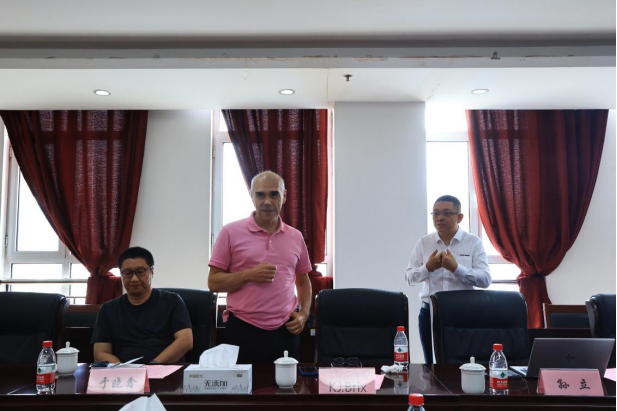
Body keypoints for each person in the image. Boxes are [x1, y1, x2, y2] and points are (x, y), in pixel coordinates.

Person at [208, 171, 312, 363]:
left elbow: (303, 281)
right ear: (251, 195)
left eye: (274, 194)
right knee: (242, 384)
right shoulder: (230, 232)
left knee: (287, 383)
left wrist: (304, 314)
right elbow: (213, 283)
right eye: (260, 195)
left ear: (284, 196)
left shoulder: (295, 236)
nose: (267, 201)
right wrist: (249, 275)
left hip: (285, 330)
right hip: (242, 329)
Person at [405, 195, 491, 363]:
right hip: (430, 313)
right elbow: (409, 277)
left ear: (460, 217)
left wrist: (456, 268)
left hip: (464, 312)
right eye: (436, 213)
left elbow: (485, 279)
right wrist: (427, 268)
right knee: (431, 362)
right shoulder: (424, 243)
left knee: (464, 361)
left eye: (446, 213)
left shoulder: (473, 243)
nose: (440, 218)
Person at [92, 247, 193, 364]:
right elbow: (100, 353)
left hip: (165, 370)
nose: (134, 279)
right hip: (122, 373)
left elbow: (186, 341)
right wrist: (123, 370)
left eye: (140, 272)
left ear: (152, 272)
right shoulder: (108, 309)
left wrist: (153, 366)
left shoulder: (172, 301)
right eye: (127, 273)